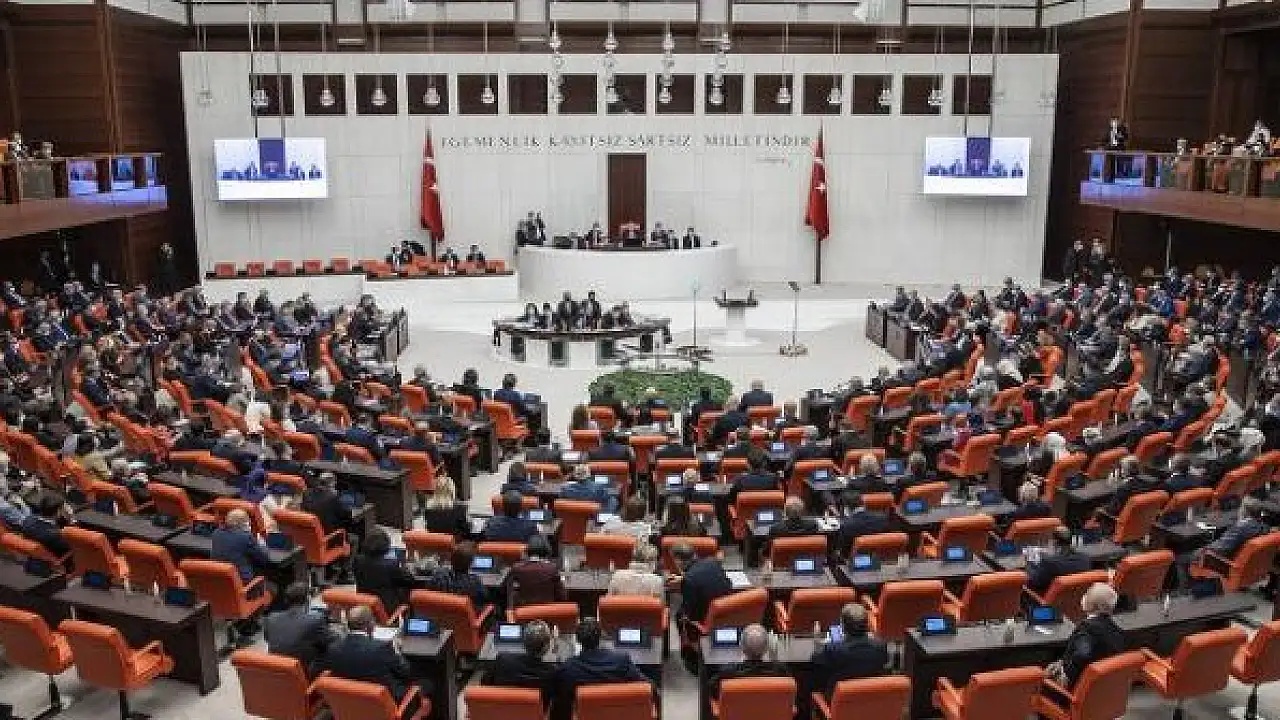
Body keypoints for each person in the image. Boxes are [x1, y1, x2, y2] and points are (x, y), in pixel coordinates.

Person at [314, 606, 430, 715]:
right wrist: (397, 652)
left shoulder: (333, 648)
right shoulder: (381, 648)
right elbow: (405, 672)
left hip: (352, 706)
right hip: (389, 705)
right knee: (427, 683)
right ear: (370, 625)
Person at [553, 618, 649, 719]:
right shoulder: (621, 660)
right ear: (601, 636)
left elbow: (561, 698)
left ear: (578, 640)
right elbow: (646, 685)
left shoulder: (569, 668)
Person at [1046, 583, 1124, 690]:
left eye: (1087, 594)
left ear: (1095, 605)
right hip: (1102, 687)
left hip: (1076, 686)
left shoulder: (1087, 628)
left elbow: (1082, 654)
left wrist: (1066, 674)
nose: (1084, 596)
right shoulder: (1115, 628)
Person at [809, 603, 890, 698]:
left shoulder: (834, 649)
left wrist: (817, 643)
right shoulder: (880, 646)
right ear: (867, 624)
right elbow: (884, 661)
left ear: (843, 626)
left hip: (838, 700)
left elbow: (815, 662)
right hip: (870, 698)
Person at [264, 582, 336, 675]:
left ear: (286, 600)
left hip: (276, 670)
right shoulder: (315, 620)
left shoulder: (271, 618)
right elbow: (332, 641)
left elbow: (268, 638)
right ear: (307, 600)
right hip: (303, 673)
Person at [486, 619, 557, 706]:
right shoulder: (551, 672)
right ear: (546, 648)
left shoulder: (503, 660)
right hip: (534, 712)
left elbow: (486, 685)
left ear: (524, 642)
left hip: (504, 709)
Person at [709, 623, 789, 698]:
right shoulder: (780, 671)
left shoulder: (727, 673)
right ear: (766, 648)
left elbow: (712, 691)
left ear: (742, 647)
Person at [354, 528, 423, 613]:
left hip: (364, 605)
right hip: (386, 608)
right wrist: (405, 568)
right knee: (408, 589)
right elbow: (410, 581)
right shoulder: (391, 564)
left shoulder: (358, 560)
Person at [422, 541, 487, 611]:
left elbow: (428, 595)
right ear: (470, 563)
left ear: (451, 560)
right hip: (464, 616)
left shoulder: (438, 577)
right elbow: (485, 598)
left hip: (440, 615)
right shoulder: (474, 582)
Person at [504, 534, 566, 607]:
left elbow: (505, 590)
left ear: (527, 551)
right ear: (546, 551)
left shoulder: (517, 568)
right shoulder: (552, 569)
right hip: (547, 611)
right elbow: (562, 595)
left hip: (523, 611)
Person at [211, 508, 270, 584]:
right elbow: (263, 559)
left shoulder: (216, 533)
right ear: (245, 524)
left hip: (220, 578)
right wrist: (261, 542)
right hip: (241, 581)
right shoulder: (246, 537)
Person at [1027, 528, 1091, 594]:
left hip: (1047, 598)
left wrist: (1029, 562)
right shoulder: (1085, 558)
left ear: (1055, 542)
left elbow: (1035, 582)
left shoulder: (1049, 562)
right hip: (1077, 597)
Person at [834, 489, 891, 559]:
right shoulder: (883, 518)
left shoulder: (846, 526)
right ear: (863, 503)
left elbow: (843, 551)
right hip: (878, 557)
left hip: (855, 560)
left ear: (846, 508)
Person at [21, 492, 69, 557]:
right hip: (58, 554)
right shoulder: (55, 535)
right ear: (58, 512)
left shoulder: (28, 520)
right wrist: (70, 519)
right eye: (63, 508)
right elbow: (68, 547)